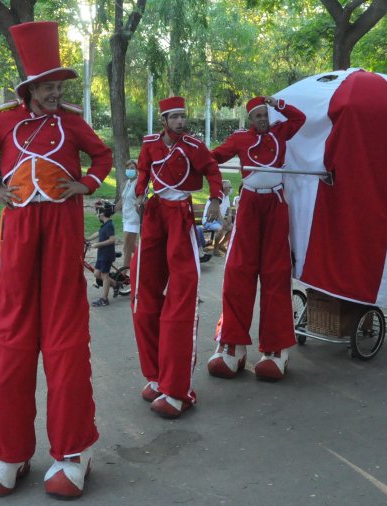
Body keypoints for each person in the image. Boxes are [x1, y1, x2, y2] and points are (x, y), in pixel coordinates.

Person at [0, 21, 112, 499]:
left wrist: (86, 185)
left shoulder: (71, 121)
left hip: (64, 226)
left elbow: (102, 156)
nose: (54, 93)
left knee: (66, 338)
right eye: (47, 87)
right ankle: (9, 450)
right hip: (19, 232)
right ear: (29, 89)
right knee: (11, 336)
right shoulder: (5, 121)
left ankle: (74, 452)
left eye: (58, 86)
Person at [131, 96, 223, 419]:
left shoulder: (194, 147)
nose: (182, 122)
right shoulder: (150, 145)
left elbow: (212, 169)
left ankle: (178, 390)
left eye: (184, 116)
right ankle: (156, 376)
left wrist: (215, 198)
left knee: (181, 300)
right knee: (143, 296)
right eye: (176, 117)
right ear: (164, 120)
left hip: (181, 215)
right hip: (156, 214)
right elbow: (143, 170)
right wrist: (140, 193)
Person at [207, 95, 306, 381]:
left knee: (276, 272)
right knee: (238, 270)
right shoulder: (240, 139)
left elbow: (300, 119)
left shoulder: (281, 132)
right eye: (258, 115)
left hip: (275, 204)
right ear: (249, 119)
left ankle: (275, 349)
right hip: (250, 204)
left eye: (266, 115)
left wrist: (279, 104)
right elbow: (212, 159)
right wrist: (213, 189)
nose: (263, 119)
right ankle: (231, 343)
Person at [86, 200, 116, 307]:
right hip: (101, 254)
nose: (97, 214)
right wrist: (87, 239)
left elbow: (112, 240)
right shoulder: (104, 225)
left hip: (107, 254)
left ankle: (104, 299)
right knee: (97, 274)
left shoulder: (109, 225)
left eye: (98, 211)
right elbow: (98, 233)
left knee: (104, 275)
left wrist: (98, 245)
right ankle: (116, 284)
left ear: (102, 213)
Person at [117, 159, 140, 268]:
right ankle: (144, 259)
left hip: (134, 218)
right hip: (126, 218)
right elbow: (122, 200)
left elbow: (142, 199)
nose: (129, 170)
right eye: (128, 168)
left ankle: (123, 273)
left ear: (137, 170)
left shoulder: (139, 182)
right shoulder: (127, 183)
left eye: (132, 168)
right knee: (130, 247)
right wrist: (112, 210)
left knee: (126, 246)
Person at [201, 179, 232, 255]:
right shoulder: (217, 196)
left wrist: (229, 216)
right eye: (229, 187)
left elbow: (229, 209)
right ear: (224, 188)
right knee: (221, 228)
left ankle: (220, 245)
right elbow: (217, 212)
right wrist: (223, 222)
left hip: (219, 220)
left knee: (234, 228)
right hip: (209, 221)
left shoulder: (226, 196)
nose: (231, 189)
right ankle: (215, 250)